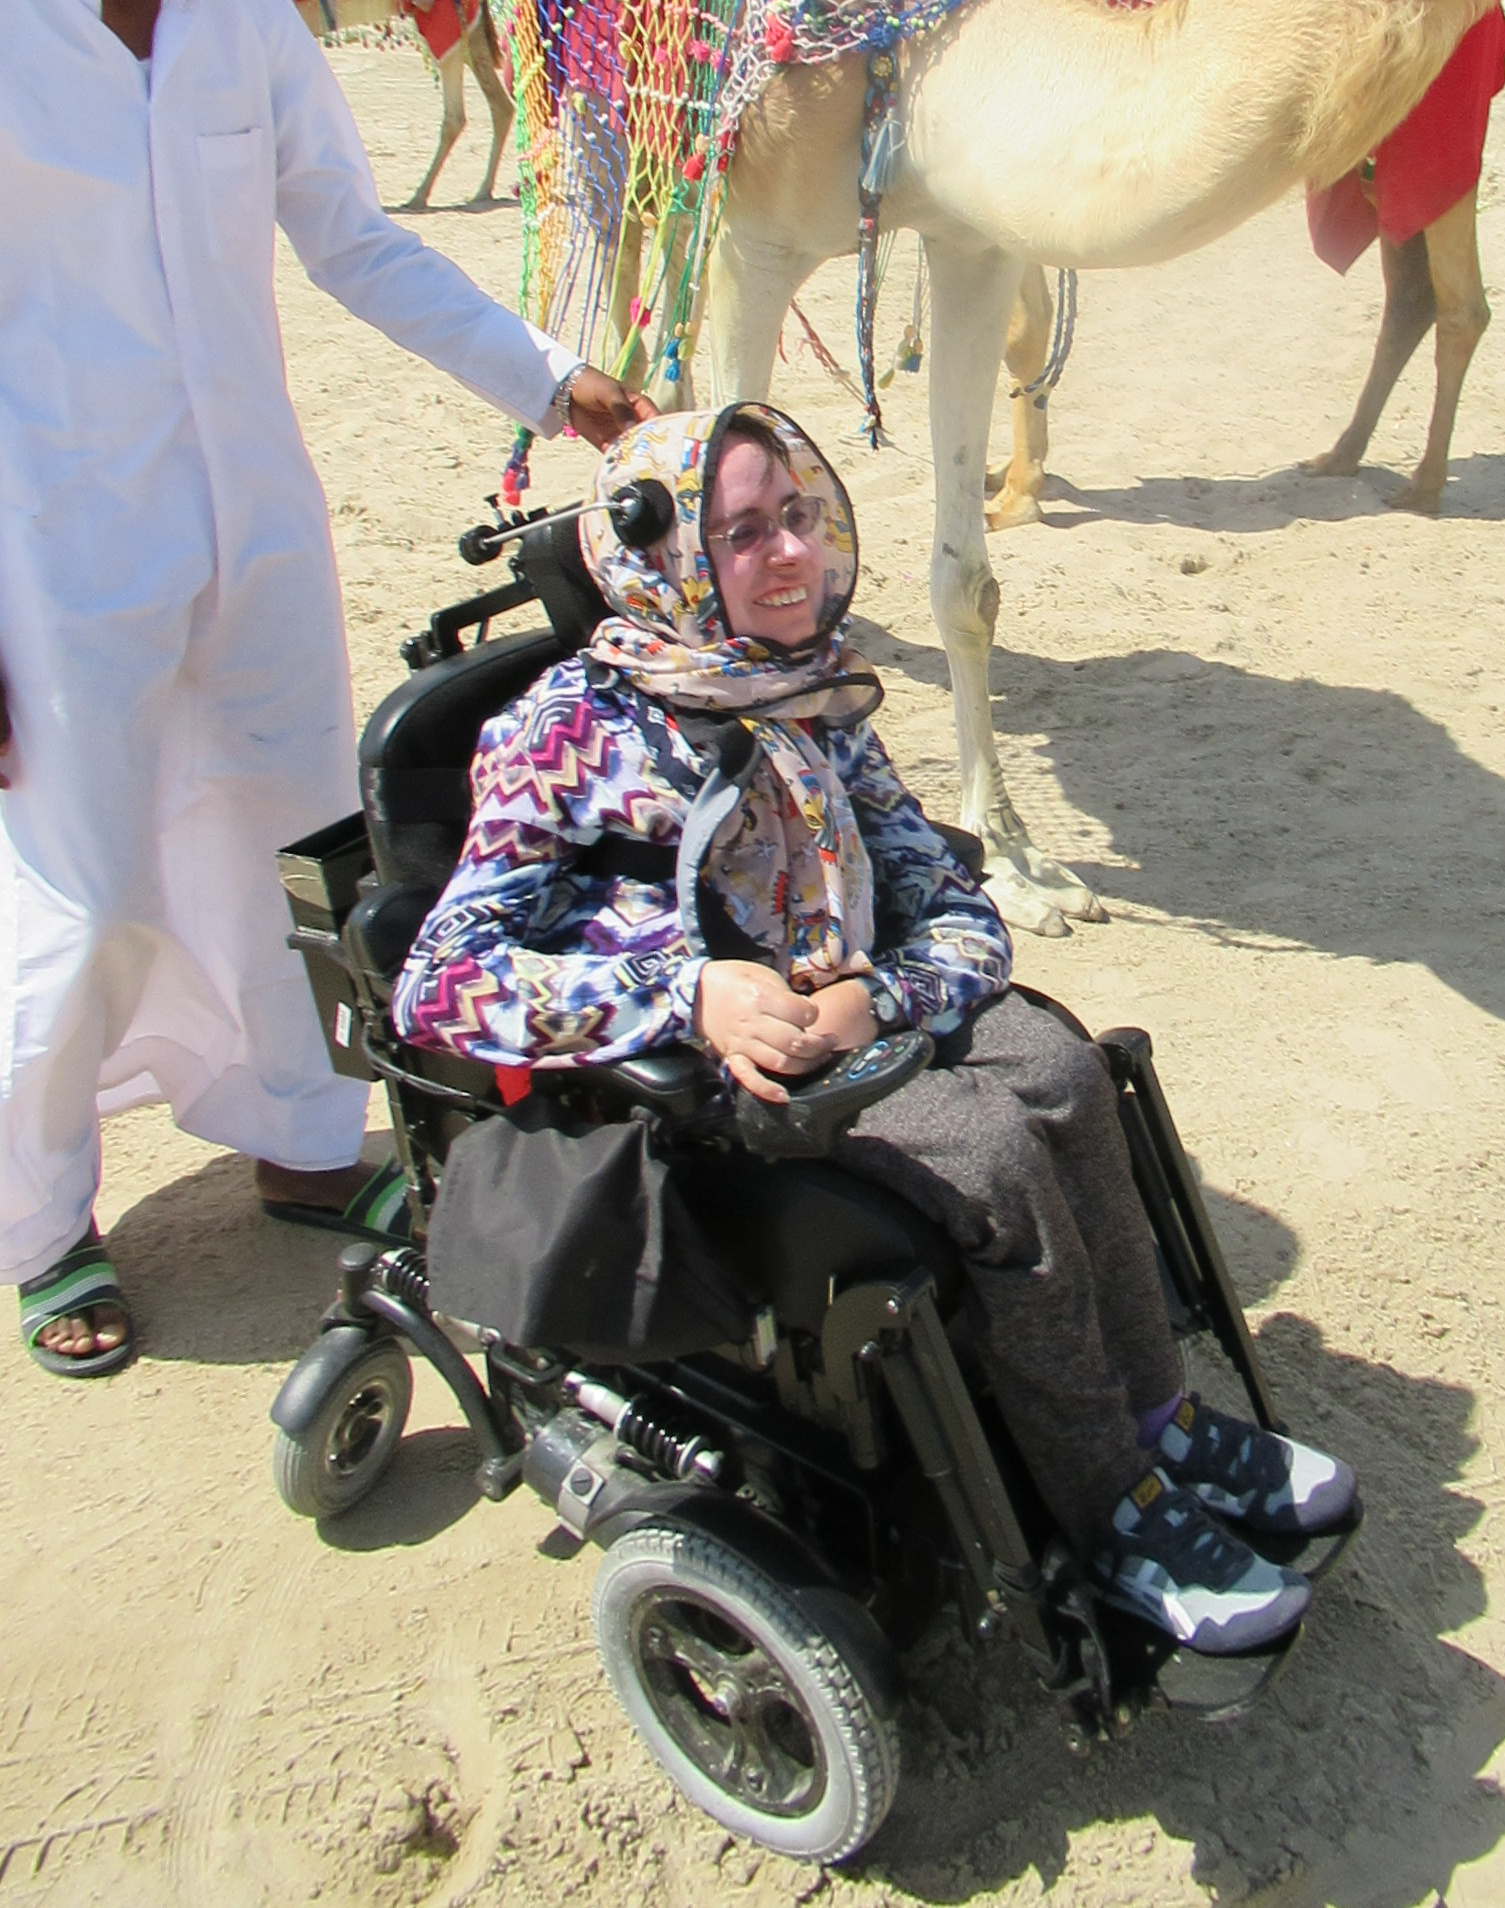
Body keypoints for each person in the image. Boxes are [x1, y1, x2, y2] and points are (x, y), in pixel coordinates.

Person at [395, 402, 1358, 1653]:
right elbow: (440, 978)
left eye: (797, 515)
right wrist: (689, 995)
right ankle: (1109, 1508)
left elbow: (956, 908)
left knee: (1067, 1075)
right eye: (743, 534)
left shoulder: (812, 691)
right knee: (994, 1159)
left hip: (852, 1001)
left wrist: (879, 996)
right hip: (713, 1064)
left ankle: (1160, 1422)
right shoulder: (563, 738)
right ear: (665, 561)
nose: (790, 551)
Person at [0, 0, 650, 1377]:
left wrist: (546, 375)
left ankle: (300, 1138)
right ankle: (42, 1219)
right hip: (50, 548)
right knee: (84, 891)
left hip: (254, 522)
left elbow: (350, 238)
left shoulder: (239, 7)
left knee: (295, 835)